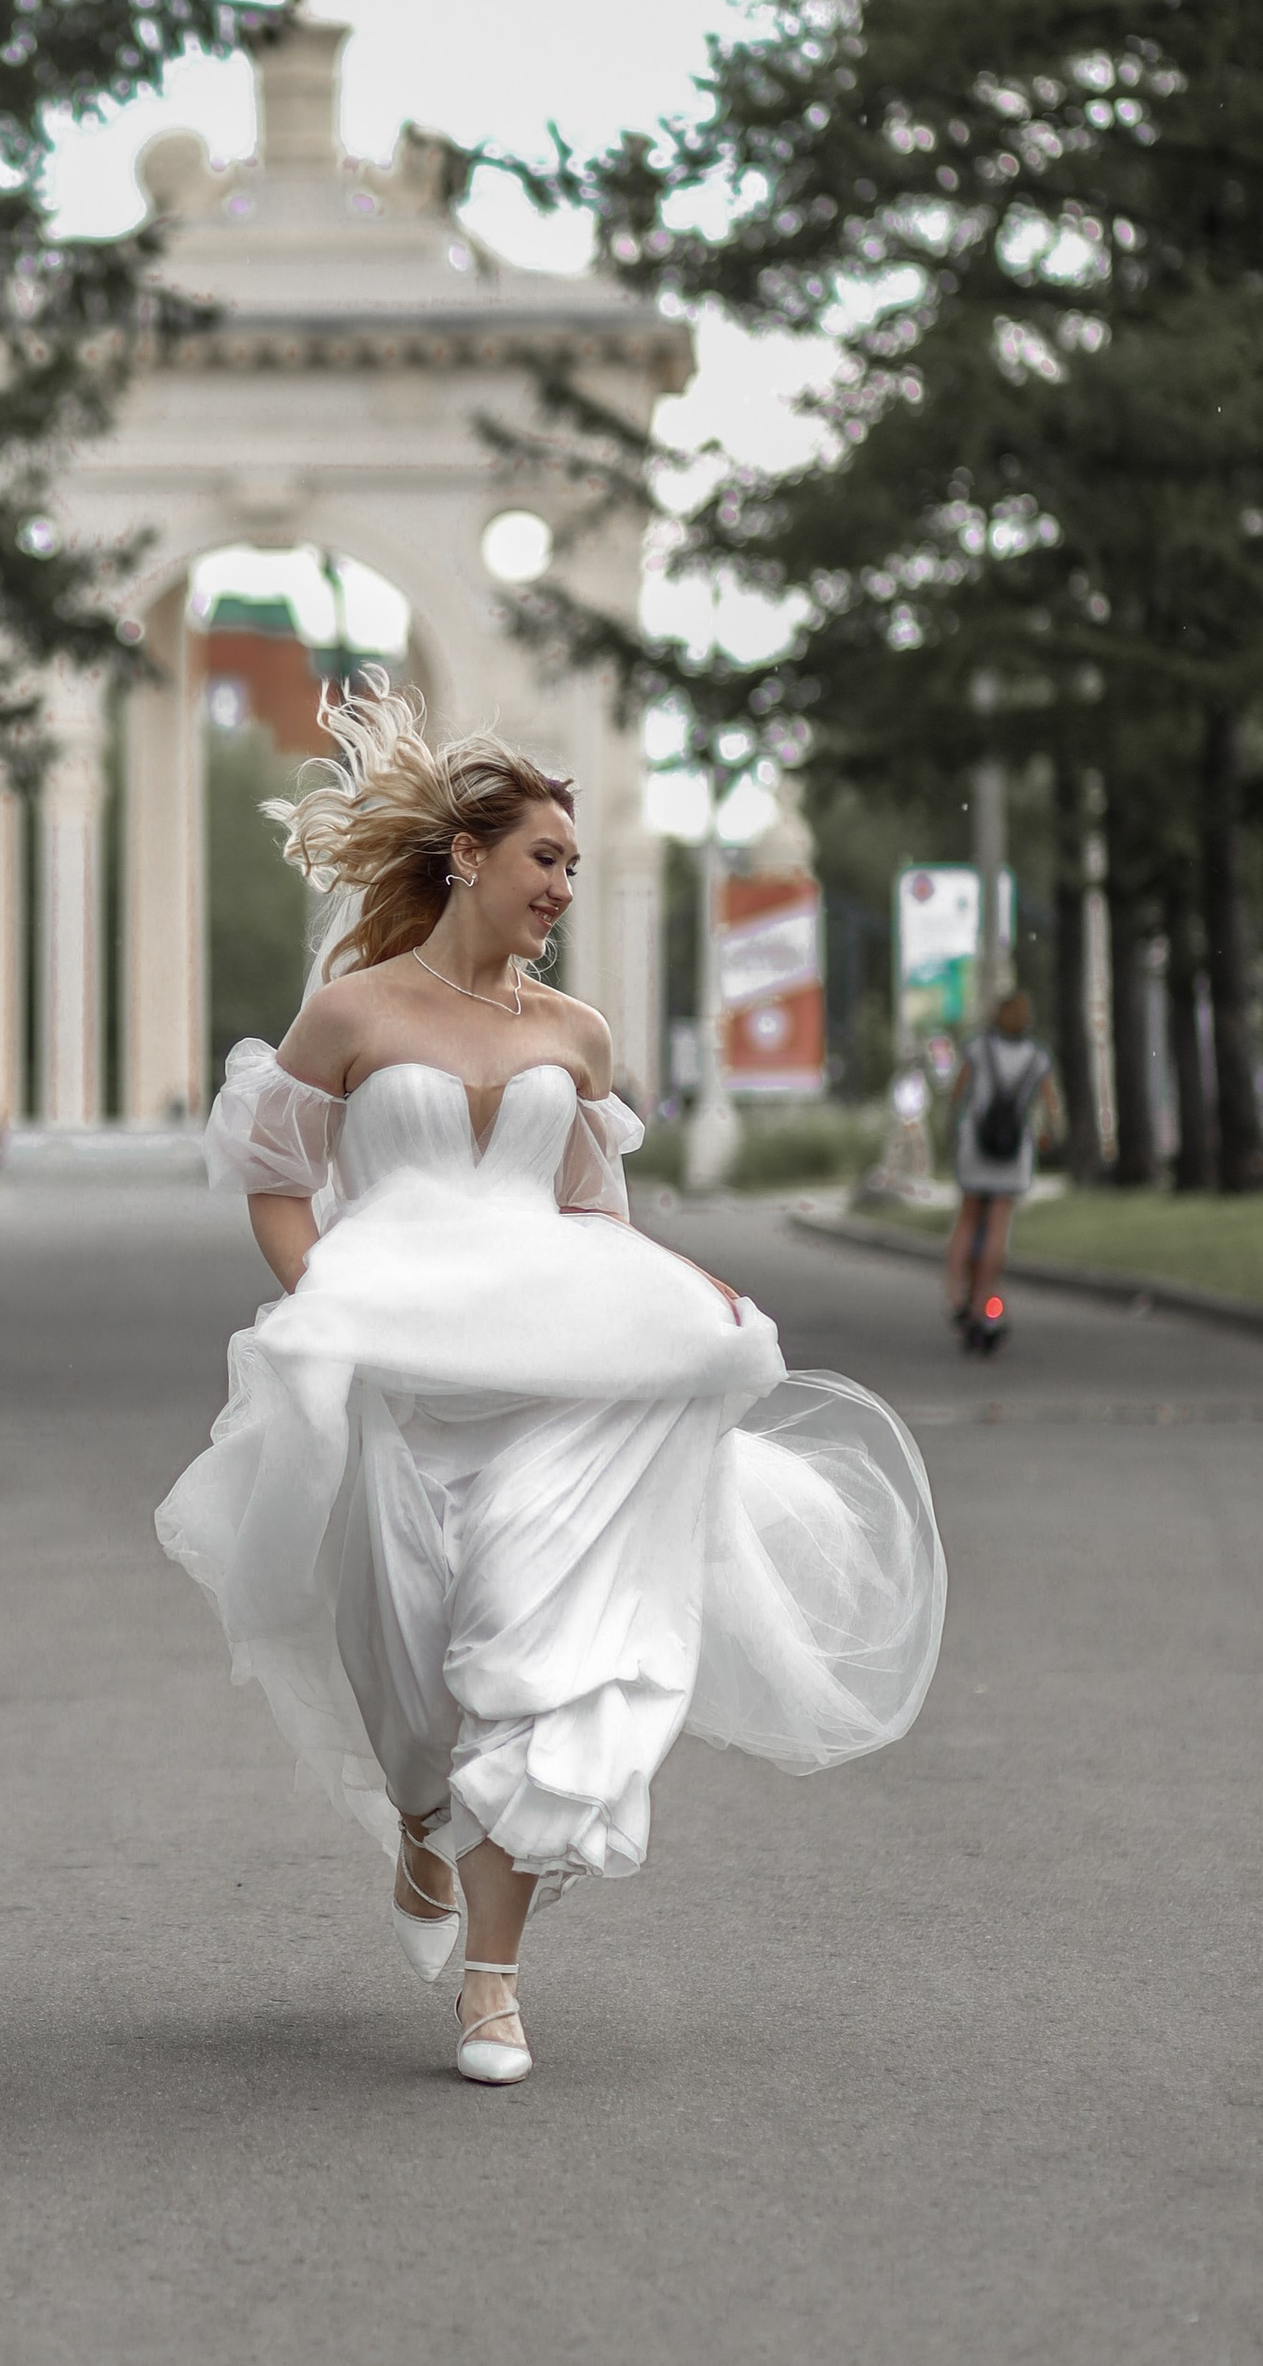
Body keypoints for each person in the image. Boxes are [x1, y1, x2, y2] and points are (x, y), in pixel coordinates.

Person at [156, 681, 945, 2090]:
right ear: (469, 855)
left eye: (576, 867)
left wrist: (682, 1292)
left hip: (555, 1381)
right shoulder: (348, 1014)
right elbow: (277, 1181)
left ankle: (494, 1985)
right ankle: (416, 1824)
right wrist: (324, 1300)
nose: (563, 888)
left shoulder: (574, 1035)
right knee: (407, 1668)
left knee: (537, 1651)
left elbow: (594, 1215)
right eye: (546, 859)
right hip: (396, 1367)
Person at [943, 991, 1058, 1347]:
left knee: (967, 1219)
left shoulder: (977, 1049)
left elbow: (957, 1095)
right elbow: (1052, 1111)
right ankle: (983, 1301)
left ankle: (957, 1297)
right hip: (1011, 1151)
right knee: (997, 1227)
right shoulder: (1037, 1058)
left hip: (975, 1145)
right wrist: (1046, 1139)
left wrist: (950, 1133)